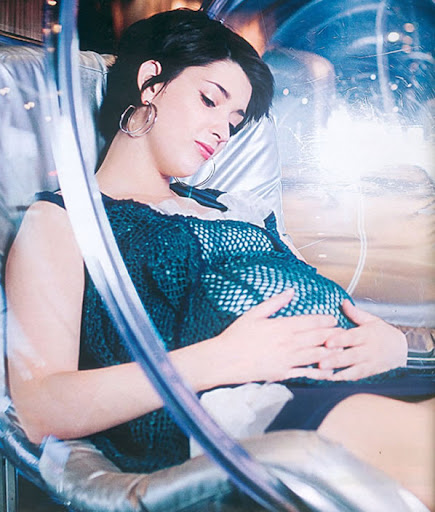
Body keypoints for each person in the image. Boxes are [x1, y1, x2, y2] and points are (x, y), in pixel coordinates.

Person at [5, 8, 434, 508]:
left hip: (368, 376)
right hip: (259, 412)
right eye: (210, 100)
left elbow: (318, 297)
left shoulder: (238, 207)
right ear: (151, 83)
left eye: (234, 121)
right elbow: (38, 407)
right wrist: (219, 360)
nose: (223, 132)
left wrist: (389, 344)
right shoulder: (65, 220)